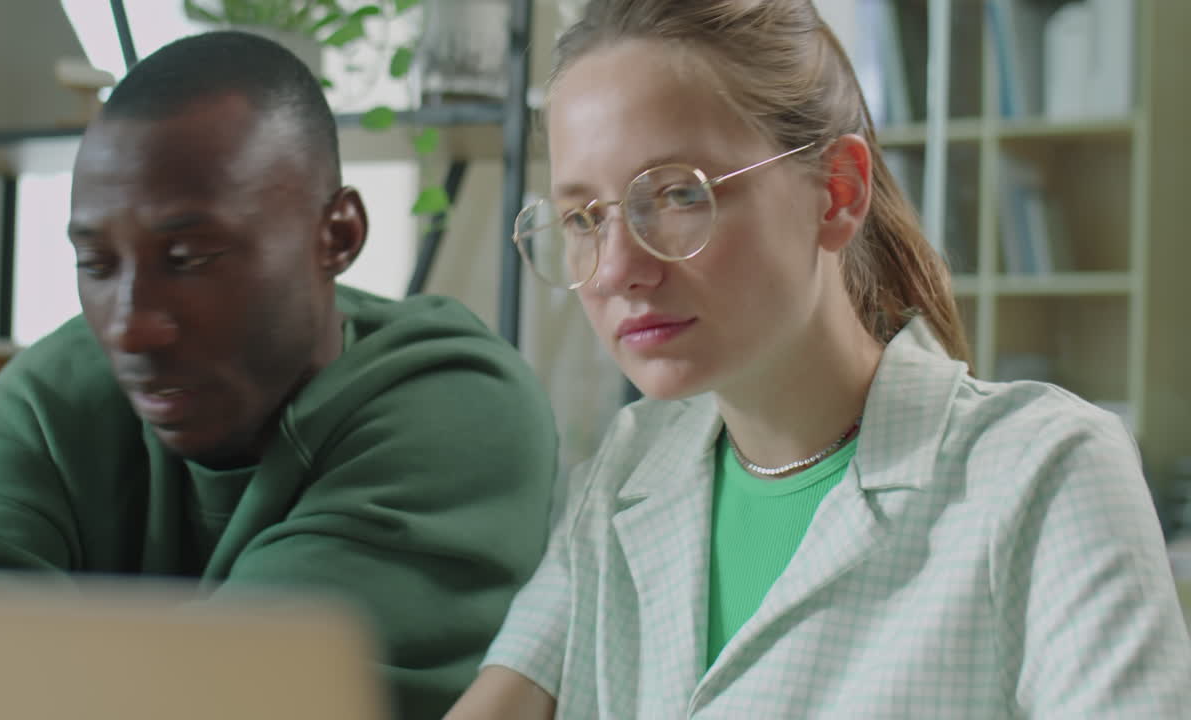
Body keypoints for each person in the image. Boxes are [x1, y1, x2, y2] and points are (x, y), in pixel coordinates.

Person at [445, 1, 1191, 717]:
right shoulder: (627, 472)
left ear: (837, 194)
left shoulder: (1045, 474)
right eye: (583, 218)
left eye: (676, 194)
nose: (613, 270)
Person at [0, 31, 559, 719]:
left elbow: (239, 696)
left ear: (336, 235)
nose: (130, 327)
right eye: (97, 265)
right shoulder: (50, 399)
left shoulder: (459, 409)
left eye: (188, 256)